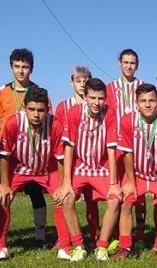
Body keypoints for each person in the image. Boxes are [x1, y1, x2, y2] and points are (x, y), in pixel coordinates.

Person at [0, 87, 70, 260]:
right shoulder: (13, 122)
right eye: (32, 109)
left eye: (41, 110)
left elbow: (60, 158)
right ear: (24, 107)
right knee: (3, 199)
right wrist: (5, 185)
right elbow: (4, 155)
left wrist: (61, 185)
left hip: (47, 170)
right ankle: (0, 246)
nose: (36, 114)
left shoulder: (55, 124)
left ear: (47, 109)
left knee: (62, 198)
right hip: (19, 168)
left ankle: (64, 246)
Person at [55, 78, 120, 262]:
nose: (96, 103)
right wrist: (66, 182)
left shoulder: (110, 113)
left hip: (101, 168)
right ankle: (78, 246)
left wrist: (114, 184)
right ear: (85, 96)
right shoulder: (74, 112)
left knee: (115, 200)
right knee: (66, 198)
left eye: (100, 98)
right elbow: (68, 148)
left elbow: (112, 149)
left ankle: (102, 246)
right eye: (92, 98)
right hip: (80, 167)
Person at [114, 84, 157, 262]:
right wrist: (130, 181)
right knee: (127, 202)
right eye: (143, 101)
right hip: (138, 174)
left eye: (151, 100)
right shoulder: (127, 120)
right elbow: (127, 153)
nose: (148, 104)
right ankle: (125, 246)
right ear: (136, 103)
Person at [0, 48, 49, 247]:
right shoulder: (1, 92)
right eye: (17, 66)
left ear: (31, 69)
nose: (21, 71)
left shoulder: (40, 92)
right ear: (11, 67)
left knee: (36, 193)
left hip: (32, 153)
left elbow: (47, 120)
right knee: (3, 193)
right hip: (8, 154)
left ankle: (40, 236)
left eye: (25, 67)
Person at [53, 66, 99, 256]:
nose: (81, 84)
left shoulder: (97, 105)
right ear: (71, 82)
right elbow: (58, 134)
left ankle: (96, 237)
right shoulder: (64, 106)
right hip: (71, 161)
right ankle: (65, 239)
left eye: (84, 80)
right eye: (77, 80)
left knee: (92, 201)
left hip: (93, 161)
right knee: (64, 198)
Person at [105, 48, 148, 243]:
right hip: (118, 145)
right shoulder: (109, 87)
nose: (129, 66)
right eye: (126, 62)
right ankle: (117, 233)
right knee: (121, 189)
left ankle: (140, 232)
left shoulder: (143, 85)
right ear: (119, 63)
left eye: (132, 63)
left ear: (137, 65)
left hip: (140, 142)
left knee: (139, 189)